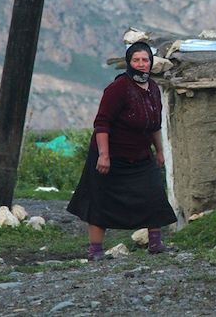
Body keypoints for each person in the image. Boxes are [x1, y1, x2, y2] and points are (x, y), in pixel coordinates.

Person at [67, 41, 177, 260]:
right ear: (129, 62)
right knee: (100, 201)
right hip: (111, 156)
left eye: (145, 60)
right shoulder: (118, 88)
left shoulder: (154, 89)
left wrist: (160, 152)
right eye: (136, 60)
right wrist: (104, 155)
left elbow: (155, 125)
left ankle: (155, 243)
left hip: (140, 155)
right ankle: (95, 251)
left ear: (150, 63)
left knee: (153, 194)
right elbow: (102, 123)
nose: (141, 64)